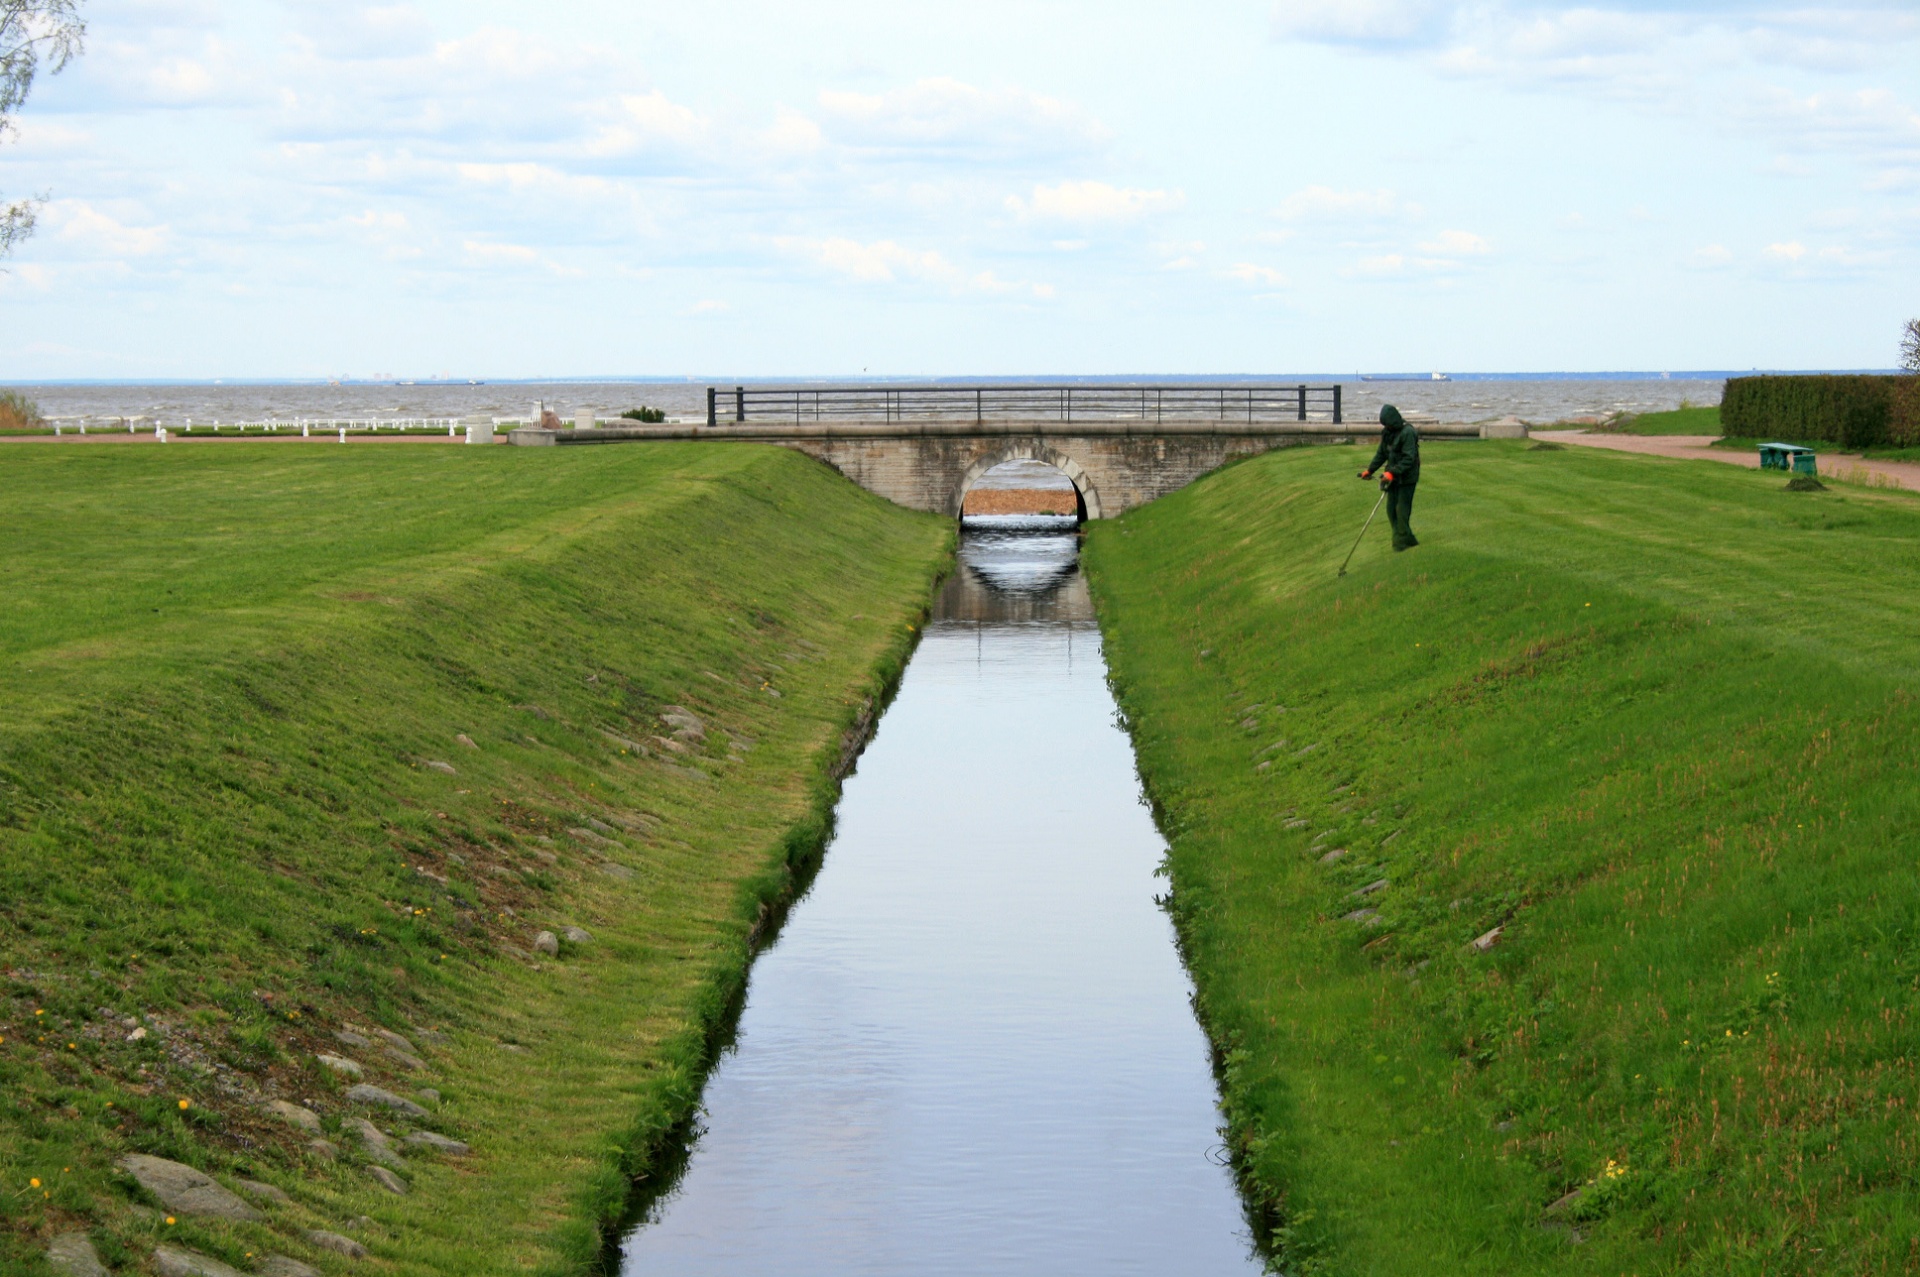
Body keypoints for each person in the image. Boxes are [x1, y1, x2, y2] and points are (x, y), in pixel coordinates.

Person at [1358, 404, 1421, 551]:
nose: (1386, 427)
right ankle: (1409, 540)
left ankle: (1399, 544)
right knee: (1391, 510)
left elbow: (1408, 458)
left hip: (1407, 478)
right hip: (1392, 478)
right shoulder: (1387, 433)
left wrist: (1392, 472)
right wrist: (1370, 470)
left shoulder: (1408, 433)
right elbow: (1381, 454)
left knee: (1401, 511)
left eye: (1387, 424)